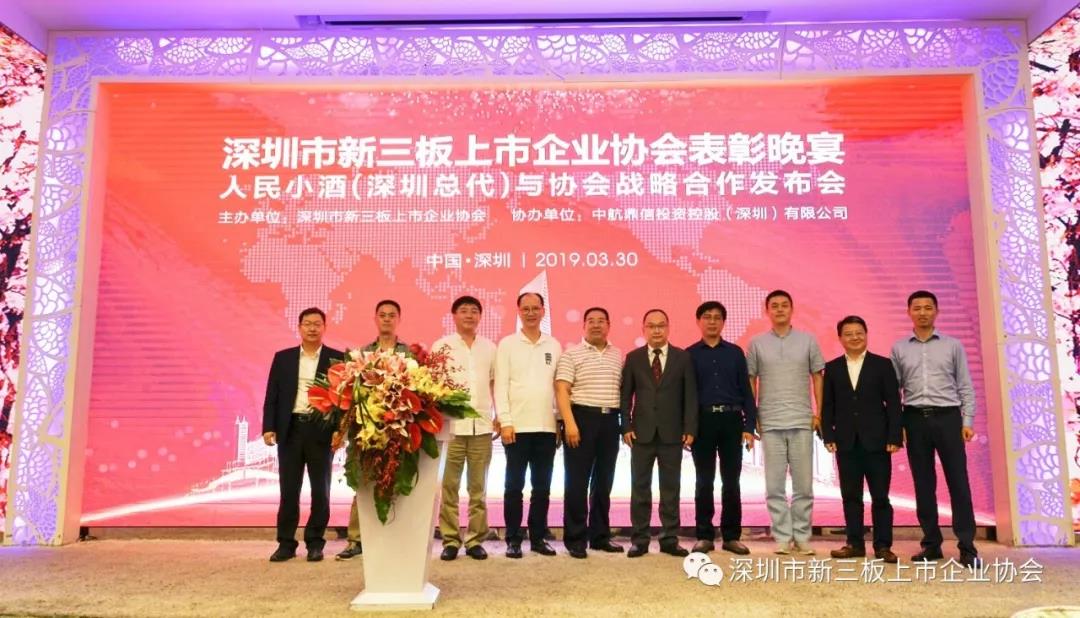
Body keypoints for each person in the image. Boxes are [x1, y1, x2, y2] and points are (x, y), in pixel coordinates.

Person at [891, 290, 980, 567]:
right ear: (909, 312)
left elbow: (965, 385)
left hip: (948, 418)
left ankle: (967, 547)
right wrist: (897, 425)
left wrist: (967, 421)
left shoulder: (953, 346)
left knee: (959, 482)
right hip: (914, 418)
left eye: (928, 307)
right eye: (917, 308)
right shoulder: (899, 348)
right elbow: (894, 391)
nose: (922, 312)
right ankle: (931, 544)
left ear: (936, 311)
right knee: (923, 484)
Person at [262, 307, 344, 563]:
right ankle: (286, 543)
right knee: (289, 490)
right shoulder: (283, 358)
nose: (312, 328)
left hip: (321, 430)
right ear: (299, 327)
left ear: (324, 327)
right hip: (290, 429)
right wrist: (268, 426)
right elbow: (272, 395)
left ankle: (315, 542)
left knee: (321, 490)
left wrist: (340, 429)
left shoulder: (336, 359)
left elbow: (343, 399)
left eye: (317, 324)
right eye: (307, 323)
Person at [747, 290, 825, 556]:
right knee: (774, 487)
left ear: (792, 309)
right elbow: (751, 380)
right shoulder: (757, 343)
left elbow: (817, 376)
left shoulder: (808, 340)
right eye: (774, 306)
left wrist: (819, 413)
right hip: (770, 423)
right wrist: (753, 416)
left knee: (804, 486)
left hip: (802, 420)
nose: (779, 309)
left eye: (784, 305)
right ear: (767, 311)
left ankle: (802, 536)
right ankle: (782, 536)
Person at [821, 315, 902, 563]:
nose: (854, 337)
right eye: (848, 334)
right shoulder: (832, 367)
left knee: (881, 497)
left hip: (878, 441)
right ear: (840, 338)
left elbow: (894, 403)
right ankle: (854, 543)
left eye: (859, 333)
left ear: (866, 335)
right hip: (846, 442)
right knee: (851, 497)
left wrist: (894, 436)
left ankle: (883, 546)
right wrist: (828, 434)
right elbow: (827, 405)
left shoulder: (883, 365)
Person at [336, 299, 409, 561]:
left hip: (397, 428)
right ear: (376, 319)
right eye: (382, 315)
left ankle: (394, 537)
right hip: (366, 428)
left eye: (392, 315)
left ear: (398, 319)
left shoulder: (408, 354)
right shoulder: (362, 355)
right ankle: (356, 539)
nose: (387, 319)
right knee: (363, 483)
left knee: (396, 481)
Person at [621, 309, 697, 558]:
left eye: (661, 325)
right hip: (641, 434)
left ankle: (669, 539)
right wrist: (626, 426)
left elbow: (690, 396)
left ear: (668, 328)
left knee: (670, 489)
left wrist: (689, 428)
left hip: (672, 434)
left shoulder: (682, 357)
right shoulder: (633, 358)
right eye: (651, 326)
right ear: (643, 329)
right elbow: (625, 396)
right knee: (640, 488)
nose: (656, 330)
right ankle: (639, 539)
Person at [495, 292, 561, 558]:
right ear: (519, 311)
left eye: (536, 308)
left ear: (543, 311)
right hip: (516, 428)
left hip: (546, 428)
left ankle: (538, 538)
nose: (531, 313)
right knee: (514, 487)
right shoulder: (507, 344)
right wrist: (506, 421)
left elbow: (558, 388)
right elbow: (500, 386)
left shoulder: (553, 345)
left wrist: (558, 422)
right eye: (526, 308)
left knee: (542, 488)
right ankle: (513, 539)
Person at [687, 301, 757, 555]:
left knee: (731, 481)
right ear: (699, 321)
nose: (712, 321)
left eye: (717, 317)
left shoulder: (735, 353)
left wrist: (749, 425)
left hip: (731, 420)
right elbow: (686, 395)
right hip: (702, 422)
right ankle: (704, 536)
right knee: (703, 481)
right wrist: (688, 428)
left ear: (723, 322)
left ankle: (731, 536)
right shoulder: (689, 354)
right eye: (707, 317)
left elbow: (747, 392)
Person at [555, 307, 625, 559]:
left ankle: (600, 536)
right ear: (583, 325)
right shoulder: (571, 354)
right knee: (576, 482)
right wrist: (569, 423)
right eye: (591, 321)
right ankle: (575, 538)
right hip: (581, 419)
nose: (596, 325)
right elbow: (562, 390)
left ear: (609, 325)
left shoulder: (618, 355)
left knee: (604, 482)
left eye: (601, 321)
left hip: (610, 421)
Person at [434, 296, 497, 561]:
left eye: (474, 311)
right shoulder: (442, 346)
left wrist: (499, 415)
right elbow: (433, 386)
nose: (469, 315)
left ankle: (474, 540)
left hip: (481, 426)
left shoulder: (490, 348)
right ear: (454, 315)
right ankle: (450, 539)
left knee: (478, 488)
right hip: (451, 428)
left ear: (480, 316)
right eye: (463, 311)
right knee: (448, 487)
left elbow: (495, 384)